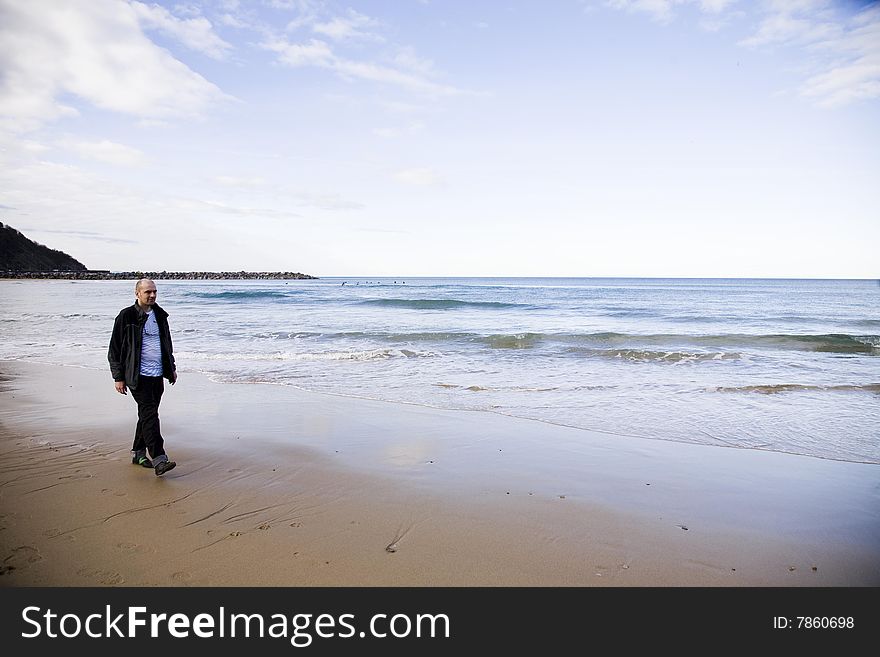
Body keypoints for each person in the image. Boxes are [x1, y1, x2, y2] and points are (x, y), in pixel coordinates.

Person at [108, 278, 178, 476]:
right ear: (137, 293)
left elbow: (167, 344)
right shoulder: (126, 316)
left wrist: (171, 368)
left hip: (158, 374)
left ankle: (138, 453)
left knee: (146, 415)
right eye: (148, 292)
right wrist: (118, 377)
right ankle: (159, 459)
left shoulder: (160, 315)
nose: (152, 295)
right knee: (150, 416)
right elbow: (114, 349)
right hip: (137, 376)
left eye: (154, 291)